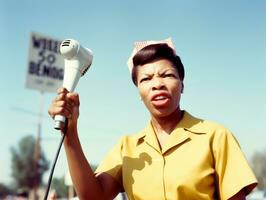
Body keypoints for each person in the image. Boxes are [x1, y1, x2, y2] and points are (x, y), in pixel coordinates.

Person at [48, 38, 258, 200]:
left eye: (167, 75)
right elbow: (94, 197)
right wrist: (70, 133)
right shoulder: (126, 147)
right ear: (139, 92)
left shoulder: (216, 136)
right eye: (146, 79)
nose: (157, 84)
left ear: (182, 85)